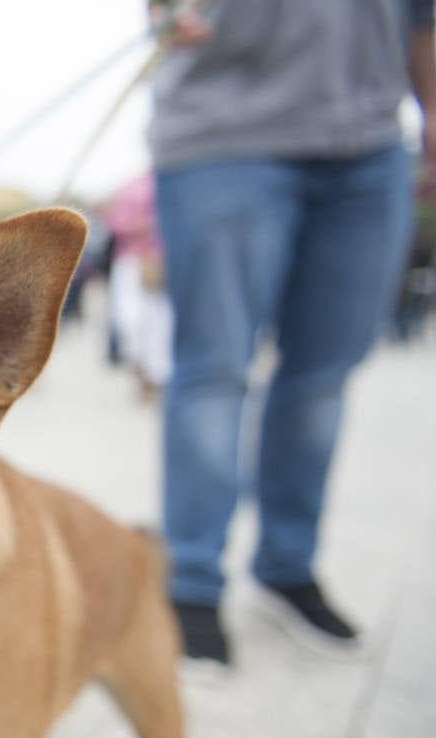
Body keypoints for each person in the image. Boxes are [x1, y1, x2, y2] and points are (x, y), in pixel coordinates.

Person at [149, 0, 436, 667]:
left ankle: (288, 562)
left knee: (324, 373)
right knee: (213, 368)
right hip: (224, 135)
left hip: (367, 141)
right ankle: (190, 581)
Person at [104, 172, 172, 401]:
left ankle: (156, 376)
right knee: (128, 319)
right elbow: (115, 224)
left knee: (160, 321)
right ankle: (139, 367)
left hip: (161, 261)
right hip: (130, 260)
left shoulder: (170, 180)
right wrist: (146, 225)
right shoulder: (130, 186)